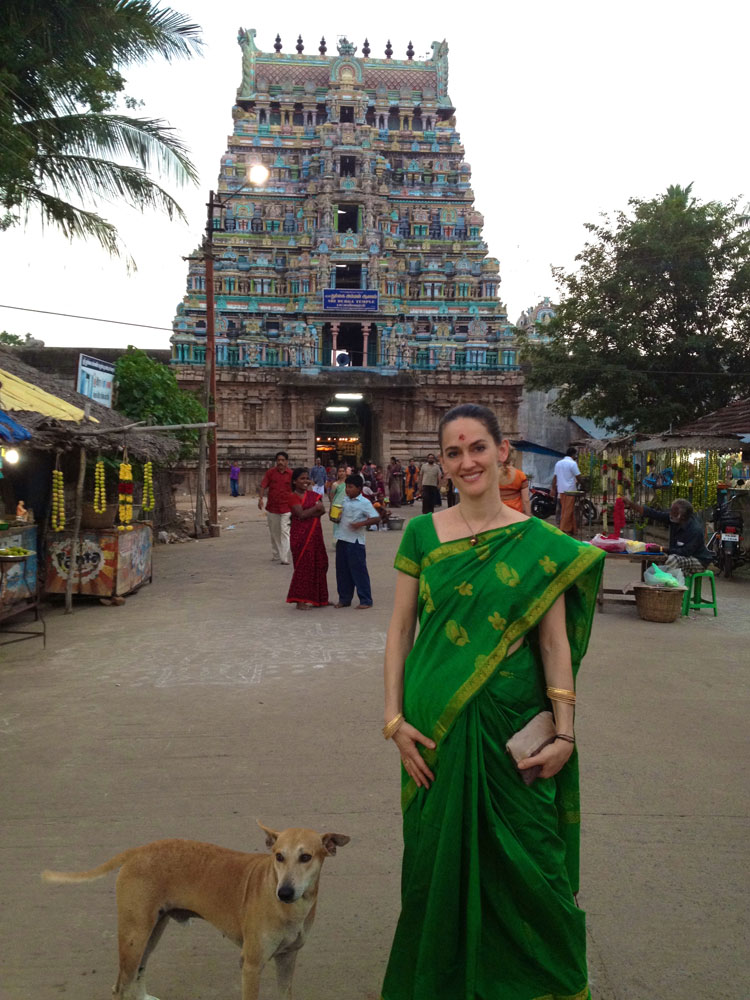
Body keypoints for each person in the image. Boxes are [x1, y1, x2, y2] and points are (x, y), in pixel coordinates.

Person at [381, 402, 604, 1000]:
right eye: (453, 452)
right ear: (443, 463)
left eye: (477, 447)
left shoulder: (540, 543)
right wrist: (394, 720)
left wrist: (565, 733)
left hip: (515, 728)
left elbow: (554, 642)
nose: (466, 460)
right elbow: (401, 631)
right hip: (436, 729)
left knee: (535, 867)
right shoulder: (421, 533)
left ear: (502, 450)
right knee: (438, 864)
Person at [625, 496, 714, 574]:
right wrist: (631, 504)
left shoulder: (695, 530)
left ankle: (669, 589)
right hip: (679, 555)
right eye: (671, 511)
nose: (670, 514)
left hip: (697, 560)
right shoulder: (675, 519)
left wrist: (661, 549)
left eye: (674, 513)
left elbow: (685, 552)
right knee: (654, 559)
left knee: (672, 560)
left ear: (682, 516)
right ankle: (652, 586)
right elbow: (653, 514)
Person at [334, 474, 380, 609]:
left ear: (359, 488)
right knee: (342, 571)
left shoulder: (364, 503)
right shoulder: (345, 500)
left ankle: (365, 599)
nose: (348, 490)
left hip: (355, 542)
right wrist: (336, 518)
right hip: (342, 538)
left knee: (359, 571)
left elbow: (376, 518)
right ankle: (344, 598)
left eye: (350, 487)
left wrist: (361, 524)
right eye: (346, 487)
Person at [286, 468, 329, 609]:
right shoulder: (293, 496)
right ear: (294, 481)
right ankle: (300, 600)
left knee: (320, 564)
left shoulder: (314, 495)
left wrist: (316, 509)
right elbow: (301, 514)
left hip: (315, 535)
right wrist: (316, 509)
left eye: (307, 478)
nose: (305, 481)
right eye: (302, 479)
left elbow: (322, 510)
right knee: (304, 567)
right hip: (301, 536)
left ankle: (319, 599)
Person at [257, 451, 293, 564]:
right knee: (274, 532)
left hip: (287, 508)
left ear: (287, 462)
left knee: (285, 532)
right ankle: (276, 554)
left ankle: (284, 557)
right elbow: (263, 485)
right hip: (272, 507)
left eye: (283, 460)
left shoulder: (291, 474)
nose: (280, 462)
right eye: (278, 460)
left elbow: (297, 489)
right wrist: (260, 498)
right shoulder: (270, 473)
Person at [552, 447, 581, 535]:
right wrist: (584, 485)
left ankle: (572, 529)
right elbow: (578, 476)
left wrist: (553, 488)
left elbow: (555, 477)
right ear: (573, 454)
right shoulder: (573, 463)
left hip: (561, 490)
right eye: (576, 455)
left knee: (567, 509)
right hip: (570, 491)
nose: (576, 456)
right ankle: (562, 529)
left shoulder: (558, 463)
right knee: (568, 511)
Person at [498, 449, 531, 515]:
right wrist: (529, 516)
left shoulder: (493, 474)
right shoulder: (520, 475)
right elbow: (526, 500)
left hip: (498, 514)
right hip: (516, 514)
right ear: (512, 458)